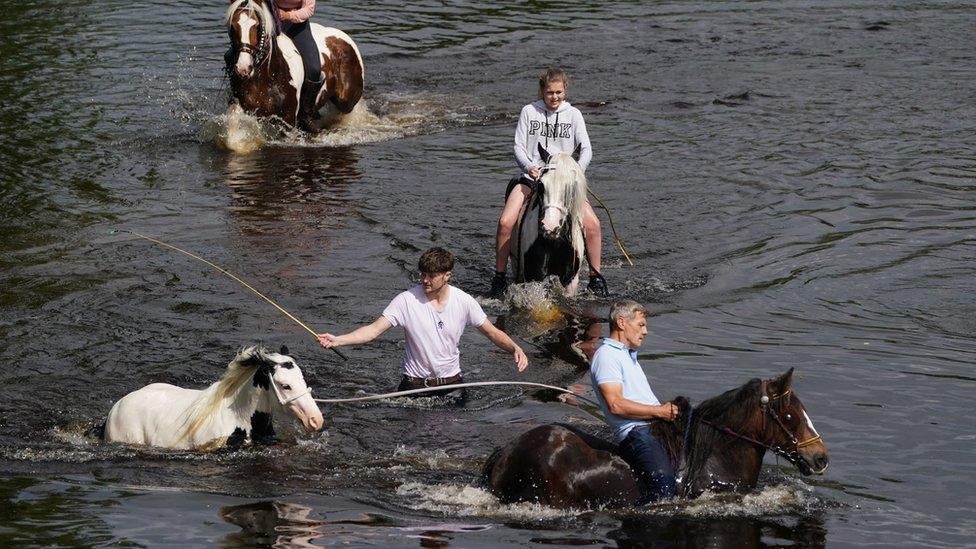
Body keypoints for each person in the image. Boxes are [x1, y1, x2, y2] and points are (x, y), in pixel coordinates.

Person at [318, 248, 528, 398]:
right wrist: (338, 340)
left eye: (432, 276)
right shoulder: (406, 301)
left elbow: (491, 332)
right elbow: (372, 331)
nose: (425, 280)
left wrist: (514, 348)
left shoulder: (464, 301)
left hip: (452, 386)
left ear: (447, 276)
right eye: (422, 274)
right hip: (413, 388)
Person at [490, 67, 608, 299]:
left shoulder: (573, 114)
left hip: (563, 182)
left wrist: (574, 173)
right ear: (542, 91)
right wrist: (528, 167)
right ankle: (500, 276)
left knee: (593, 225)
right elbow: (518, 146)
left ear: (565, 91)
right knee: (505, 222)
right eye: (550, 92)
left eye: (559, 92)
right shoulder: (528, 111)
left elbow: (586, 149)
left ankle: (595, 278)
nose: (554, 97)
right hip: (532, 178)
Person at [590, 300, 678, 505]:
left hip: (654, 426)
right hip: (636, 433)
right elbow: (616, 405)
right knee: (664, 491)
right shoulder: (607, 356)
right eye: (641, 325)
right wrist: (660, 412)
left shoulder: (626, 355)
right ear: (621, 322)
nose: (645, 331)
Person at [275, 0, 324, 128]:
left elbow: (309, 9)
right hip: (270, 23)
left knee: (314, 69)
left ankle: (306, 113)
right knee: (232, 56)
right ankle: (236, 99)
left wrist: (288, 16)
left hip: (297, 27)